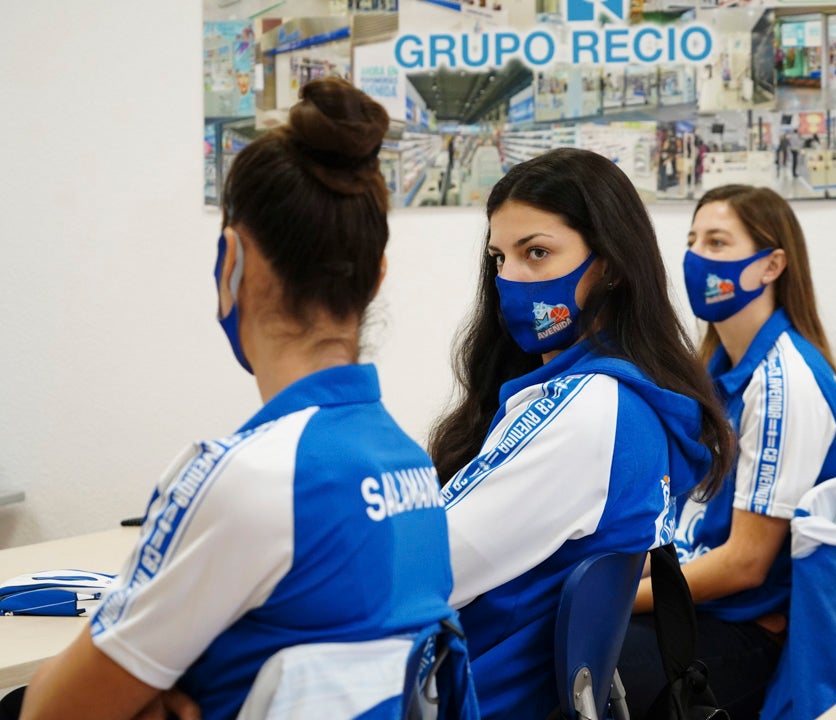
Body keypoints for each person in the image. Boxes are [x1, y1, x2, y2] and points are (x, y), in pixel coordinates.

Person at [19, 78, 473, 720]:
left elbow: (54, 712)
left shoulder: (247, 477)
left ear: (231, 260)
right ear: (376, 278)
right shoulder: (411, 468)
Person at [428, 148, 735, 719]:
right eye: (500, 257)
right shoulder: (632, 395)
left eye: (537, 253)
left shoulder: (588, 406)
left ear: (612, 264)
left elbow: (423, 569)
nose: (510, 278)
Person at [618, 184, 836, 720]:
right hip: (693, 606)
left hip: (747, 632)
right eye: (692, 241)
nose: (696, 258)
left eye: (717, 243)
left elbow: (745, 565)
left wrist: (604, 602)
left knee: (586, 663)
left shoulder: (785, 385)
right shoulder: (710, 370)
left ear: (771, 265)